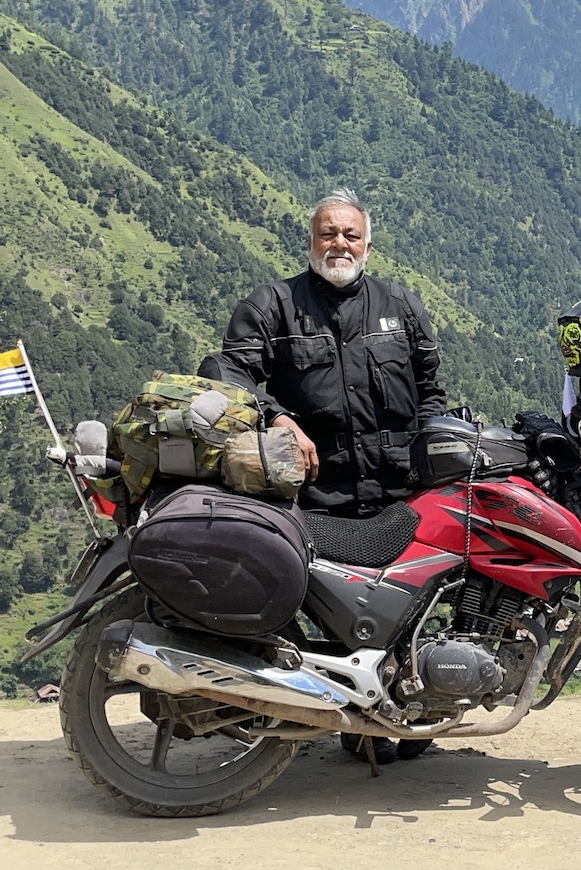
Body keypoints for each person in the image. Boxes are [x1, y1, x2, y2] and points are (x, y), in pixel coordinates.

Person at [202, 188, 446, 764]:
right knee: (327, 616)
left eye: (350, 235)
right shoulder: (274, 305)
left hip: (397, 491)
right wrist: (278, 417)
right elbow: (222, 367)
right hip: (316, 495)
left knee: (405, 610)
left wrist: (442, 450)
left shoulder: (400, 306)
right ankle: (313, 715)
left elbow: (431, 389)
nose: (340, 244)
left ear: (368, 242)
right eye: (328, 233)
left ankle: (390, 715)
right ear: (310, 240)